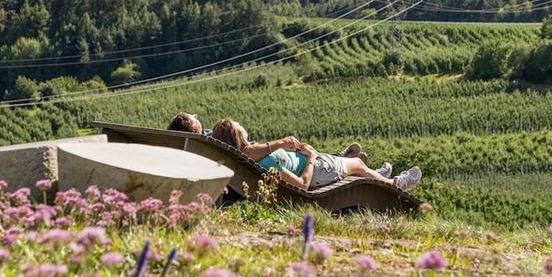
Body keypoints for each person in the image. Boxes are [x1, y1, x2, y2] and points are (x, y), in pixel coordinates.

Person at [211, 118, 421, 192]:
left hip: (317, 165)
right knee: (356, 163)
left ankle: (376, 175)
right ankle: (394, 184)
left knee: (356, 165)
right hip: (318, 172)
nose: (243, 127)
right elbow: (302, 184)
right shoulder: (265, 164)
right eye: (240, 127)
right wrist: (310, 157)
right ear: (238, 135)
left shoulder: (250, 157)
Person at [167, 112, 368, 161]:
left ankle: (339, 157)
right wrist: (280, 143)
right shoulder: (208, 145)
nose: (196, 115)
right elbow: (245, 152)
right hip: (267, 158)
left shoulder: (177, 146)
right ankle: (339, 159)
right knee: (301, 152)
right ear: (194, 132)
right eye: (194, 119)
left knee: (303, 151)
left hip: (258, 152)